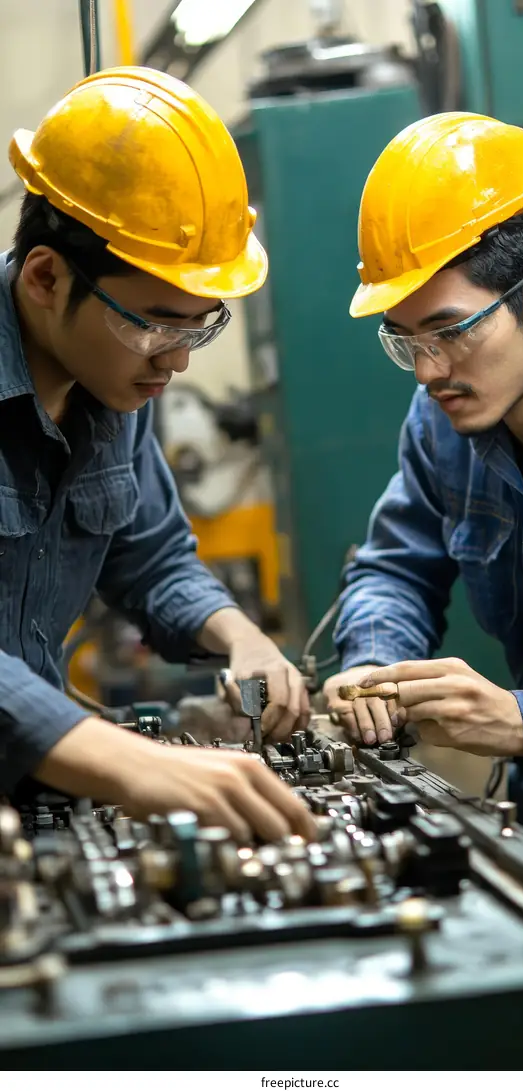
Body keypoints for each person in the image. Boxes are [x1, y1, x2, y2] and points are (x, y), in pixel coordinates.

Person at [0, 65, 314, 844]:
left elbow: (151, 558)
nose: (175, 362)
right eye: (155, 324)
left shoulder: (111, 383)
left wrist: (237, 635)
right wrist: (124, 760)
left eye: (197, 328)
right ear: (46, 277)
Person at [324, 111, 523, 867]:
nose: (427, 370)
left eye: (450, 330)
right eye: (405, 339)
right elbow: (397, 565)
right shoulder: (444, 425)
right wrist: (373, 667)